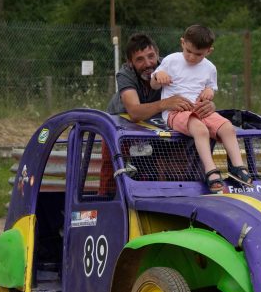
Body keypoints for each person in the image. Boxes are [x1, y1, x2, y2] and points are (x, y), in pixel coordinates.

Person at [151, 25, 252, 192]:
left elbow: (211, 87)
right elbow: (154, 84)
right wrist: (157, 76)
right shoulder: (171, 60)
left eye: (198, 54)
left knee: (227, 127)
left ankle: (238, 167)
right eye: (188, 51)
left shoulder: (210, 68)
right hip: (176, 112)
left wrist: (209, 91)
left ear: (208, 51)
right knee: (200, 129)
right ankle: (210, 170)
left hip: (200, 110)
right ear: (182, 43)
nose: (191, 57)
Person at [105, 33, 214, 123]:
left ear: (157, 53)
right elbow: (134, 113)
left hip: (155, 121)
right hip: (119, 122)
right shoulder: (125, 74)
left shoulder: (171, 65)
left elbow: (192, 94)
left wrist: (209, 106)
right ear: (130, 62)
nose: (147, 64)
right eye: (139, 59)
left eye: (151, 56)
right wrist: (165, 103)